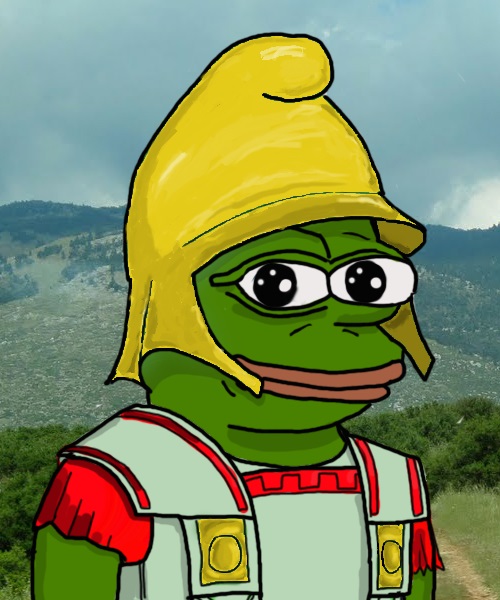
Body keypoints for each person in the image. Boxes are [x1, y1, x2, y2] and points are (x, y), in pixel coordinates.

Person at [32, 33, 443, 600]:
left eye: (367, 282)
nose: (346, 321)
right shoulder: (116, 483)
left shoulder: (394, 490)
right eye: (277, 285)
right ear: (175, 301)